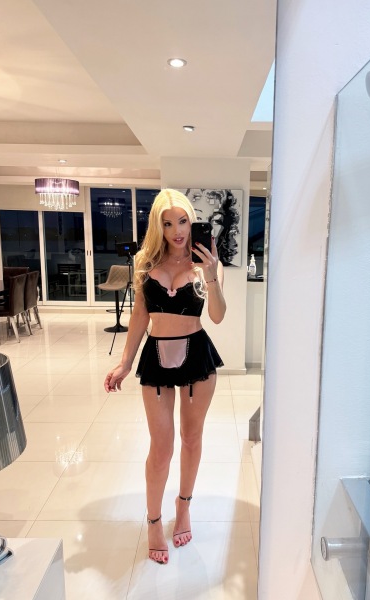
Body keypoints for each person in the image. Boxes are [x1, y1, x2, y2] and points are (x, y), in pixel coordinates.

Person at [104, 188, 226, 565]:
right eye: (168, 223)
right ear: (159, 226)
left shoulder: (206, 264)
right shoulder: (146, 263)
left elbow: (217, 316)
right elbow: (140, 315)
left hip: (197, 356)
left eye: (183, 221)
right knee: (161, 447)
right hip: (156, 356)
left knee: (191, 438)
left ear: (192, 221)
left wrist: (212, 276)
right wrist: (125, 362)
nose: (177, 231)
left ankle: (183, 505)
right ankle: (154, 520)